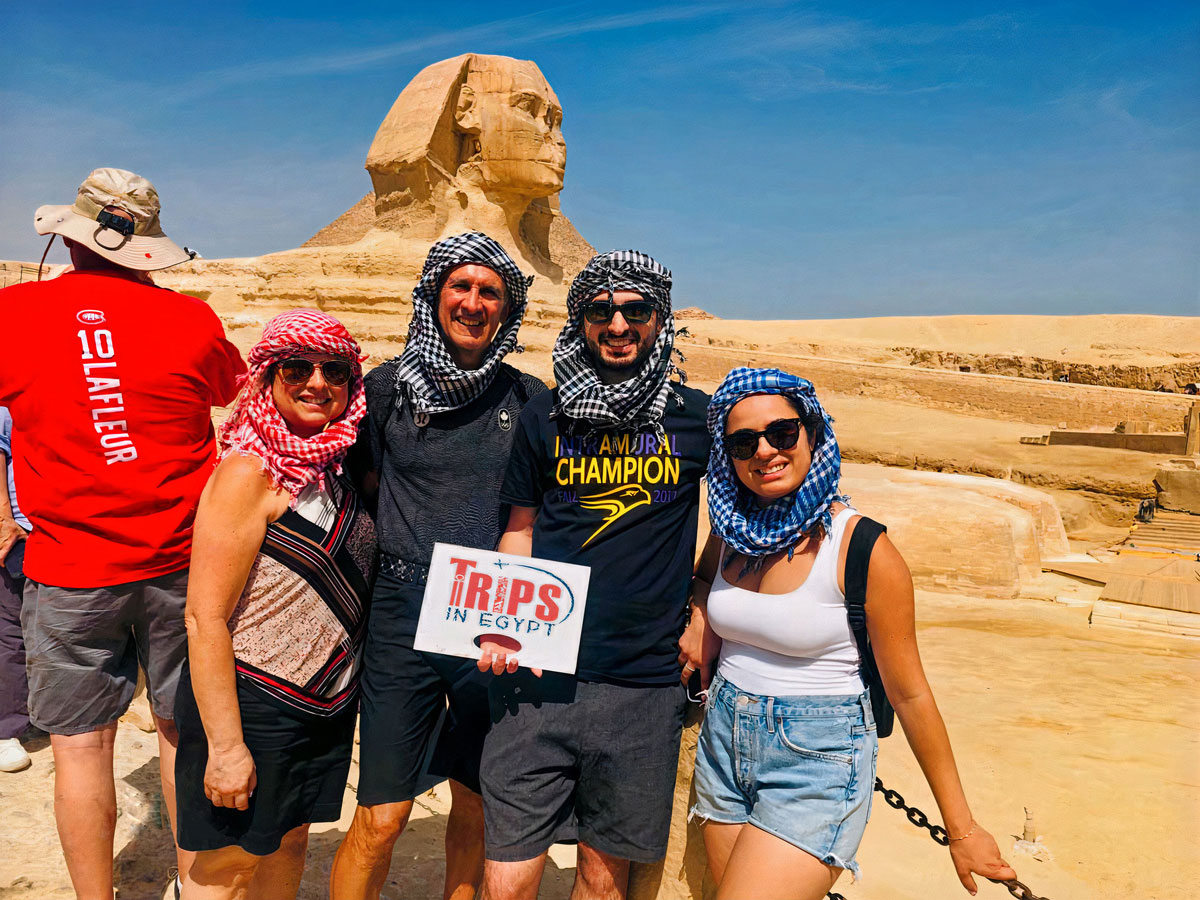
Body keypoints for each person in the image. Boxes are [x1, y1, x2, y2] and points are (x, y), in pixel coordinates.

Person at [678, 367, 1017, 899]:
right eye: (743, 442)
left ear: (812, 433)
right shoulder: (731, 531)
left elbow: (910, 693)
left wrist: (962, 830)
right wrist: (700, 614)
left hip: (815, 759)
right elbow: (704, 580)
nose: (764, 451)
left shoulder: (862, 550)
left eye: (782, 433)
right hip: (723, 745)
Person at [0, 167, 245, 900]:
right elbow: (230, 395)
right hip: (179, 564)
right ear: (148, 251)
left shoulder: (13, 313)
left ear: (69, 240)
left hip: (69, 566)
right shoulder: (192, 320)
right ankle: (189, 881)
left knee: (79, 750)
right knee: (178, 734)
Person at [476, 250, 711, 900]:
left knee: (602, 883)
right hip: (537, 678)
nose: (617, 324)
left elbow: (744, 514)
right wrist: (501, 622)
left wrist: (703, 600)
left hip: (641, 683)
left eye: (636, 310)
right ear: (579, 320)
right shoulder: (544, 417)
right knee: (506, 880)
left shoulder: (695, 418)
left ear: (660, 319)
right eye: (601, 310)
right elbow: (519, 530)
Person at [331, 233, 545, 900]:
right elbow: (358, 484)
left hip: (490, 615)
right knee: (382, 815)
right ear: (433, 293)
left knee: (476, 802)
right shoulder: (387, 389)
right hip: (402, 611)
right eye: (461, 286)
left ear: (507, 309)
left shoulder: (529, 397)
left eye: (490, 292)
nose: (474, 303)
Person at [175, 310, 373, 899]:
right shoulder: (248, 473)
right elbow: (203, 617)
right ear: (267, 376)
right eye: (297, 368)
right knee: (227, 867)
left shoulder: (333, 466)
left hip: (317, 710)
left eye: (334, 370)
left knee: (288, 843)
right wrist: (228, 748)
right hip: (252, 708)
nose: (317, 383)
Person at [0, 406, 32, 773]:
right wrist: (5, 520)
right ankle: (6, 729)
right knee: (10, 632)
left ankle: (30, 716)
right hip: (17, 534)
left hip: (45, 531)